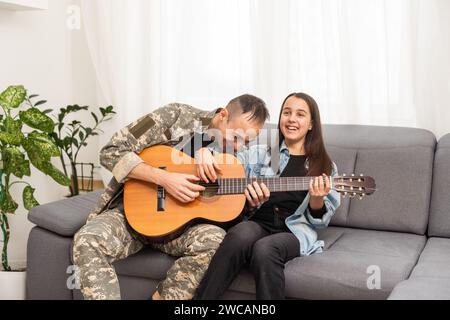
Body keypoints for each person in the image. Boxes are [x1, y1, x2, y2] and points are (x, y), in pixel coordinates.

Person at [72, 94, 270, 300]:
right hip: (132, 215)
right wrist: (165, 178)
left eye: (246, 142)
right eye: (235, 137)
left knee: (216, 240)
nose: (238, 146)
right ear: (222, 115)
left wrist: (251, 205)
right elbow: (111, 151)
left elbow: (225, 211)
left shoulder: (234, 160)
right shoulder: (174, 115)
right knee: (88, 239)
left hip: (179, 230)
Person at [194, 92, 341, 300]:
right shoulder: (260, 153)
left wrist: (317, 200)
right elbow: (224, 164)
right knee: (239, 234)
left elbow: (320, 222)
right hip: (258, 223)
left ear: (311, 124)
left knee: (265, 249)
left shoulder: (324, 166)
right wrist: (204, 153)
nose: (291, 119)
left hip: (293, 231)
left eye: (300, 114)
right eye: (287, 112)